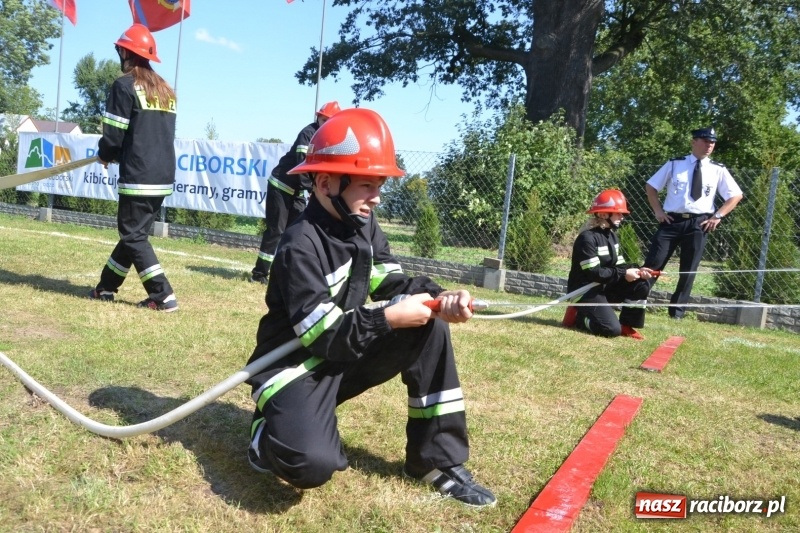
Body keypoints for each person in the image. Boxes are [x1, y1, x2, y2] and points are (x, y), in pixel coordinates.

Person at [244, 108, 496, 508]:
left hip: (342, 355)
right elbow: (322, 335)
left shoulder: (364, 225)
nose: (376, 197)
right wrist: (389, 317)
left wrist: (441, 297)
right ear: (325, 183)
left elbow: (392, 282)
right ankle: (265, 435)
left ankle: (436, 461)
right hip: (295, 369)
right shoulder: (299, 244)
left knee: (430, 324)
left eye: (379, 185)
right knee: (312, 465)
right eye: (366, 185)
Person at [88, 24, 179, 312]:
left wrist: (106, 155)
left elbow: (114, 135)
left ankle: (162, 295)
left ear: (126, 53)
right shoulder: (165, 90)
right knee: (133, 235)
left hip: (139, 175)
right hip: (162, 176)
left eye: (120, 49)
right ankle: (106, 287)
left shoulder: (124, 86)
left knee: (133, 236)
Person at [643, 127, 743, 319]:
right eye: (705, 141)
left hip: (699, 223)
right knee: (654, 263)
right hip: (672, 221)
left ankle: (677, 313)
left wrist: (718, 216)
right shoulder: (675, 164)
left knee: (688, 270)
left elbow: (736, 195)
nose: (709, 145)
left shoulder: (717, 169)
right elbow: (651, 186)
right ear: (694, 142)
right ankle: (635, 301)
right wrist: (658, 211)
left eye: (712, 142)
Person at [249, 101, 342, 284]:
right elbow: (302, 165)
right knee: (276, 231)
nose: (326, 124)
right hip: (281, 186)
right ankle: (259, 274)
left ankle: (286, 274)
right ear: (318, 118)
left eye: (330, 121)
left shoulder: (329, 140)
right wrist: (313, 190)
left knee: (296, 233)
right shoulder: (308, 133)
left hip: (298, 191)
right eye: (324, 120)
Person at [562, 189, 654, 340]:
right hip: (585, 291)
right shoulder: (587, 238)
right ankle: (579, 318)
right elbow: (594, 273)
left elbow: (620, 265)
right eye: (618, 213)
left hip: (604, 286)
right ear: (604, 214)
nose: (622, 217)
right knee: (610, 330)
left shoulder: (611, 236)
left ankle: (627, 325)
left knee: (641, 284)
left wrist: (637, 270)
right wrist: (624, 274)